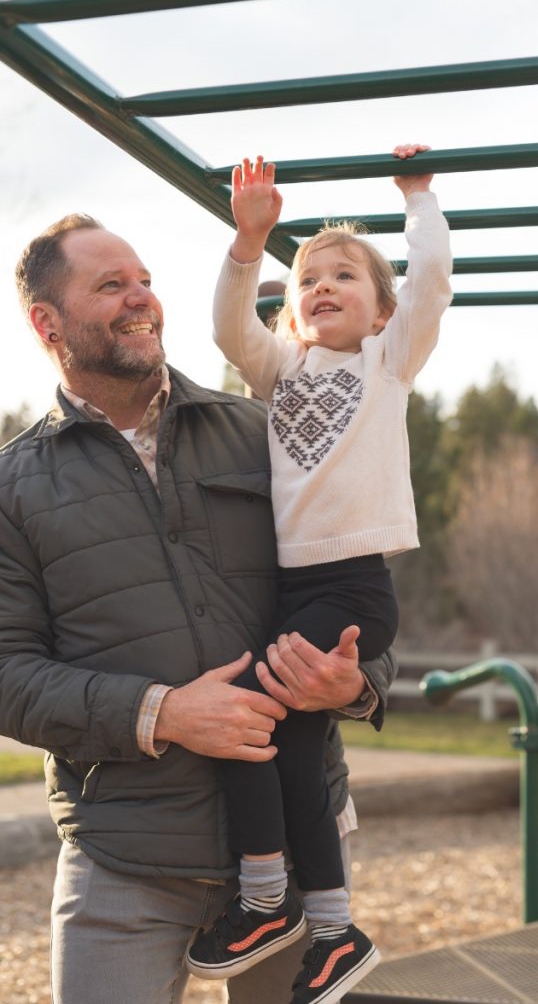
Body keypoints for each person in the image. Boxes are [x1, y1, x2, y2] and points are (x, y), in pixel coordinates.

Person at [0, 213, 398, 1004]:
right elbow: (7, 673)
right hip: (125, 855)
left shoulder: (268, 430)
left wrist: (353, 686)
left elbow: (358, 588)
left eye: (144, 279)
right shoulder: (12, 487)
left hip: (297, 836)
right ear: (48, 322)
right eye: (110, 285)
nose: (140, 298)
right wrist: (163, 712)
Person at [187, 144, 452, 1002]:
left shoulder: (387, 364)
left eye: (344, 277)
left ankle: (266, 899)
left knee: (244, 715)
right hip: (298, 587)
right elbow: (231, 329)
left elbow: (432, 284)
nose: (322, 288)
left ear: (380, 312)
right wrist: (247, 241)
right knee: (291, 746)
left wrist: (417, 198)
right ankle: (333, 931)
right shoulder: (282, 370)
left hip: (352, 585)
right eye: (307, 280)